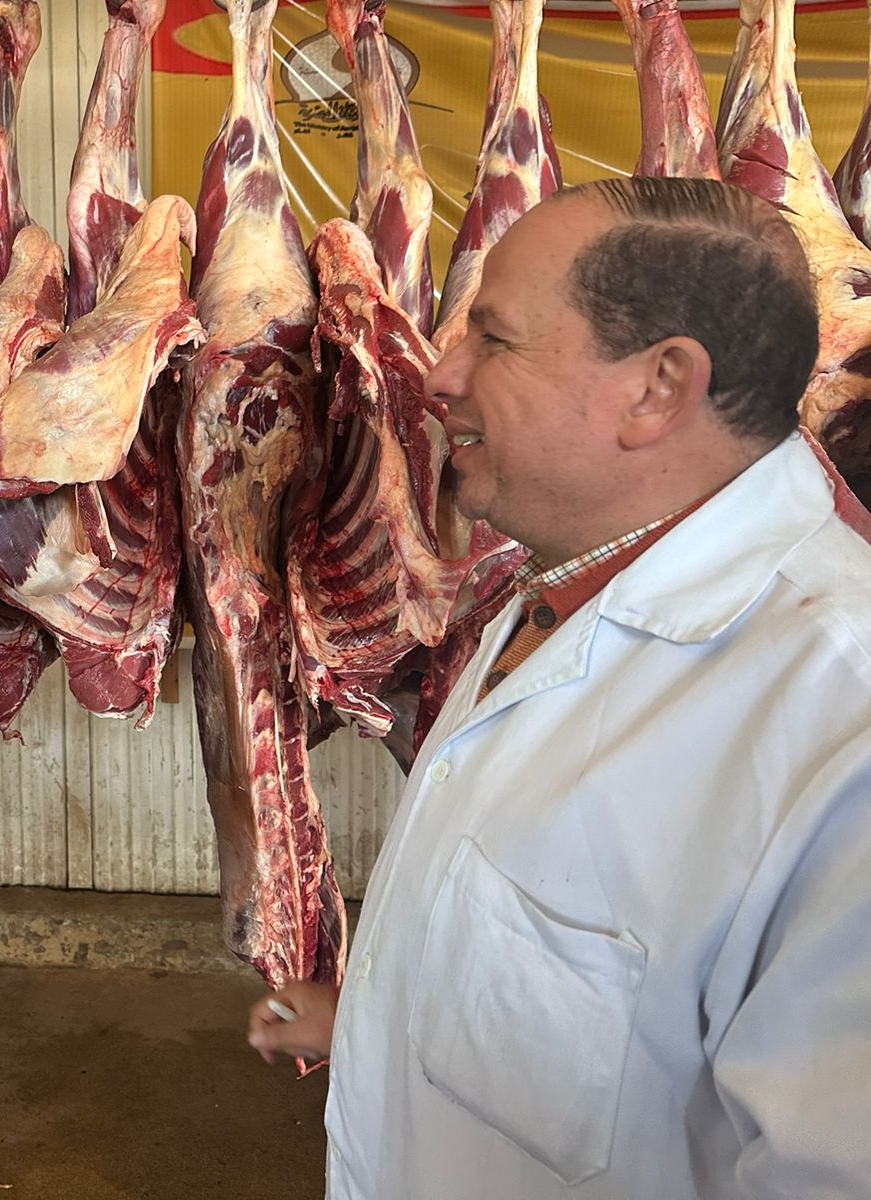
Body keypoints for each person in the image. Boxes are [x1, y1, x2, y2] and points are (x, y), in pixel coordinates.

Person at [248, 176, 871, 1197]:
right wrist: (377, 1017)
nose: (440, 375)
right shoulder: (562, 590)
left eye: (492, 339)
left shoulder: (839, 725)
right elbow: (598, 1008)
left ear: (658, 387)